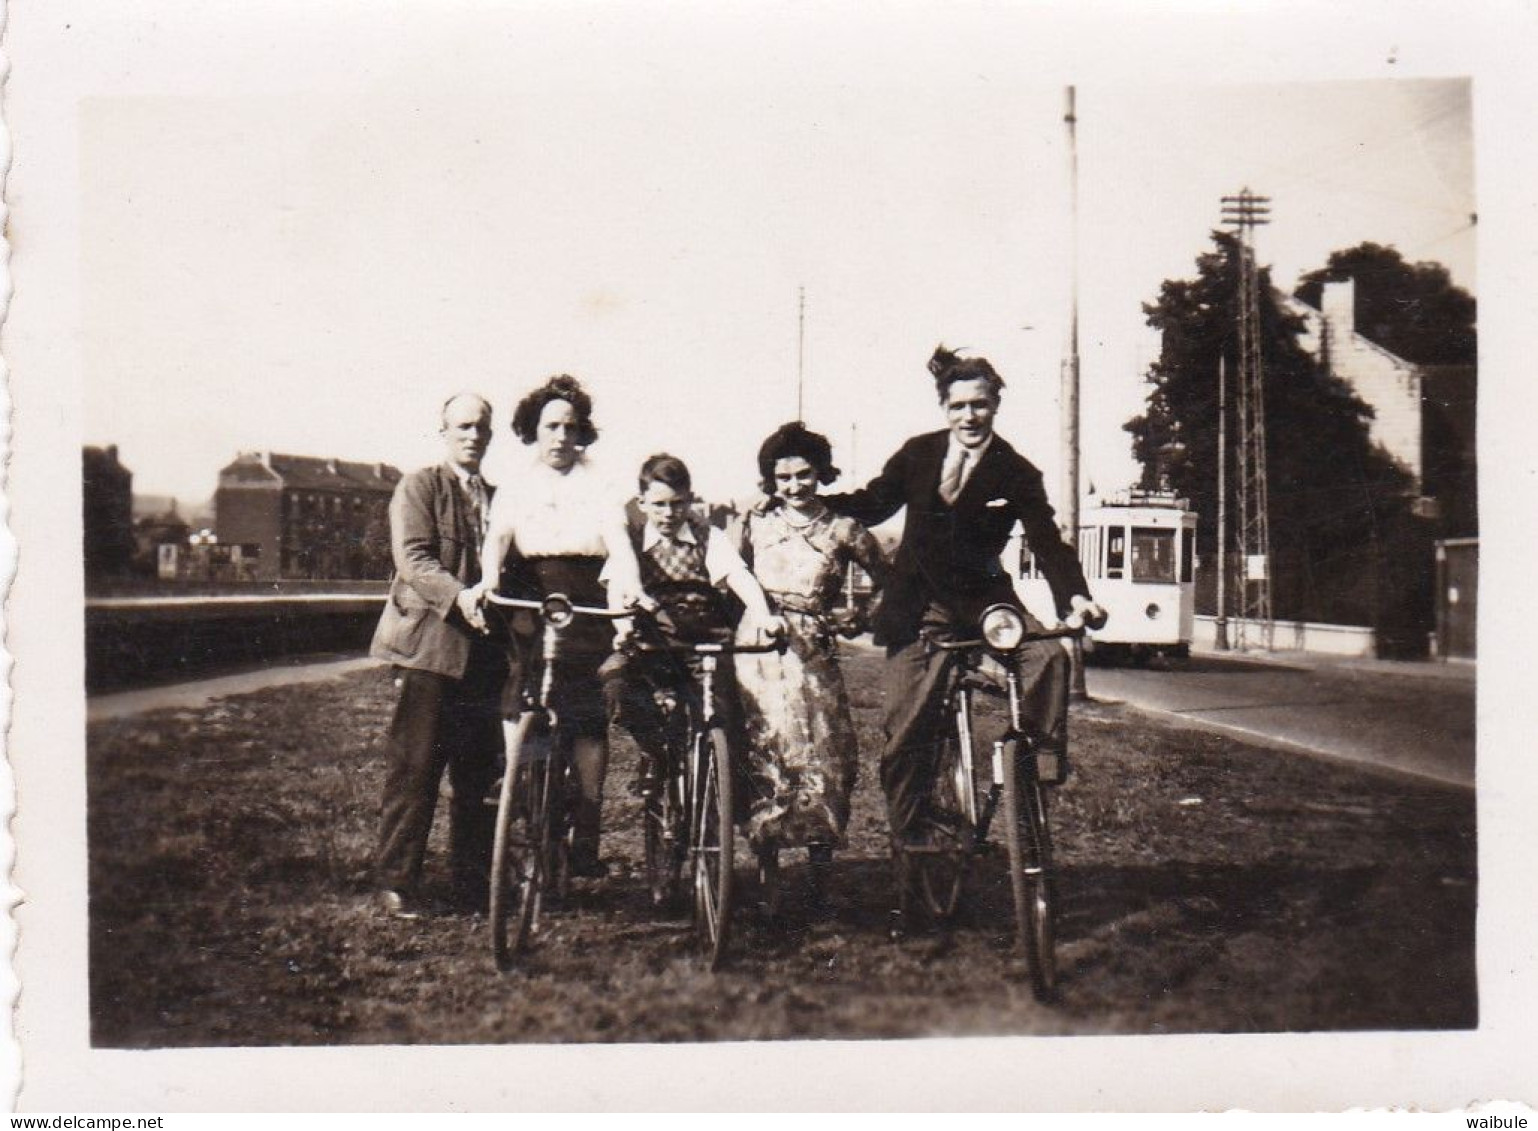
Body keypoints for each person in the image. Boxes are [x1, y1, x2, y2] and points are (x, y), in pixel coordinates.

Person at [822, 345, 1105, 850]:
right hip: (918, 607)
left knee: (1048, 657)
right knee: (905, 735)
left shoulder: (1017, 471)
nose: (969, 416)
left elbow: (1046, 540)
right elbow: (870, 503)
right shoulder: (918, 454)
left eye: (979, 404)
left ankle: (1031, 769)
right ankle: (910, 841)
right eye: (958, 406)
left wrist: (1076, 599)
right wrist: (809, 502)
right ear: (944, 408)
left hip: (985, 603)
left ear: (996, 404)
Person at [470, 374, 635, 879]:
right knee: (521, 689)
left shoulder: (601, 482)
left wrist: (625, 590)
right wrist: (487, 581)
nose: (561, 436)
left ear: (581, 431)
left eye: (570, 426)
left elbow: (620, 544)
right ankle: (520, 779)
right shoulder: (517, 484)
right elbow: (498, 539)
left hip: (586, 595)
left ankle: (586, 823)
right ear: (533, 430)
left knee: (586, 713)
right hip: (530, 593)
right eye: (551, 426)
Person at [731, 423, 887, 893]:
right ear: (770, 481)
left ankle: (820, 872)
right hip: (757, 649)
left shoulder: (844, 529)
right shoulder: (754, 523)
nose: (795, 486)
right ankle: (768, 873)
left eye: (804, 475)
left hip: (814, 650)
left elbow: (885, 579)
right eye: (784, 479)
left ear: (821, 473)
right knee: (764, 751)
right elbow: (730, 574)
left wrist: (858, 617)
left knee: (825, 755)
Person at [369, 392, 508, 918]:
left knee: (478, 774)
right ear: (444, 431)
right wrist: (462, 595)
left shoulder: (500, 497)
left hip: (485, 656)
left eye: (482, 428)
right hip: (429, 651)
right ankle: (396, 881)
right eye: (464, 426)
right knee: (416, 769)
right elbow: (414, 560)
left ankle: (471, 885)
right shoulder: (420, 486)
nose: (474, 436)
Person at [602, 454, 784, 806]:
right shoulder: (633, 540)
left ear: (690, 500)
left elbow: (738, 576)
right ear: (642, 503)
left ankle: (719, 808)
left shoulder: (707, 535)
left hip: (705, 644)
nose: (668, 514)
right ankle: (655, 754)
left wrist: (762, 614)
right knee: (617, 683)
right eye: (658, 505)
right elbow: (618, 587)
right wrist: (622, 626)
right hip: (652, 643)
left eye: (677, 504)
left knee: (725, 720)